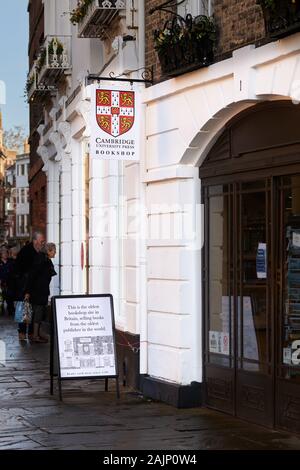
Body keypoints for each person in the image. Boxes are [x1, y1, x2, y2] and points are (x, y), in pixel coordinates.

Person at [14, 232, 45, 341]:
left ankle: (31, 333)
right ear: (35, 241)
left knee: (31, 309)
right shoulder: (26, 252)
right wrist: (26, 290)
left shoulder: (37, 251)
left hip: (31, 286)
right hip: (23, 286)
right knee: (23, 309)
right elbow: (26, 273)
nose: (42, 243)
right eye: (41, 241)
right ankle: (22, 333)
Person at [25, 242, 57, 343]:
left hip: (40, 290)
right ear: (49, 250)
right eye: (54, 251)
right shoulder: (42, 260)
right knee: (38, 312)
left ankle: (37, 333)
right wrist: (28, 291)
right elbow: (32, 276)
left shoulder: (43, 259)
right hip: (38, 291)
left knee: (38, 312)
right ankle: (35, 335)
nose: (55, 254)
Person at [0, 247, 16, 316]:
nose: (5, 255)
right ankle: (2, 310)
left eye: (6, 253)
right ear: (1, 254)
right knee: (1, 298)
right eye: (4, 253)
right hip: (1, 283)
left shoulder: (11, 261)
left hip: (10, 283)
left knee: (10, 297)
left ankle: (11, 310)